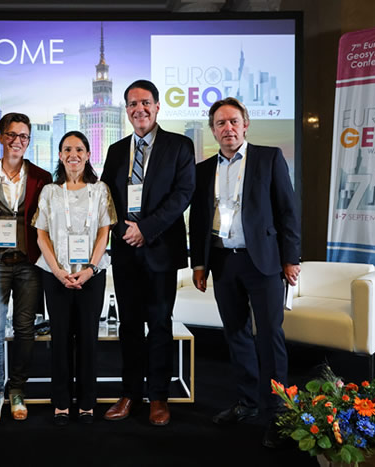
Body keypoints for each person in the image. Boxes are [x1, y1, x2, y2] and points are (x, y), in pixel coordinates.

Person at [188, 97, 301, 447]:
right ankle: (248, 402)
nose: (228, 129)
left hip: (263, 261)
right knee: (236, 334)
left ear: (246, 124)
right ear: (213, 130)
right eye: (220, 123)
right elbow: (199, 220)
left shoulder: (268, 158)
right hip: (223, 261)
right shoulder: (204, 169)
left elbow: (288, 210)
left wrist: (291, 258)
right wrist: (200, 262)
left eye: (234, 121)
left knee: (269, 336)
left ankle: (279, 412)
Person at [101, 80, 195, 426]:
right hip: (125, 250)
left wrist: (146, 228)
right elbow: (106, 199)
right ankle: (129, 393)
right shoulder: (115, 150)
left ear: (157, 107)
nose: (138, 109)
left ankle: (158, 397)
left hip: (160, 250)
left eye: (145, 103)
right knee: (128, 326)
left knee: (158, 324)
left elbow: (182, 195)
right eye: (132, 104)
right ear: (126, 111)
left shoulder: (179, 146)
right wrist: (122, 232)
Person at [0, 113, 52, 427]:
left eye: (24, 136)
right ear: (2, 137)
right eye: (12, 135)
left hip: (29, 263)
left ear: (28, 141)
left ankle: (17, 389)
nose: (18, 141)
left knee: (24, 330)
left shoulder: (42, 177)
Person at [33, 131, 116, 426]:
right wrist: (57, 271)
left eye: (79, 149)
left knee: (87, 339)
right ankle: (60, 402)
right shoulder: (49, 191)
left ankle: (87, 401)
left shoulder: (101, 190)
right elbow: (41, 234)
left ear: (88, 155)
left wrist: (90, 269)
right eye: (67, 149)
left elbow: (104, 232)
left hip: (91, 275)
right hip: (56, 276)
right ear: (59, 155)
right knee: (61, 339)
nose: (73, 154)